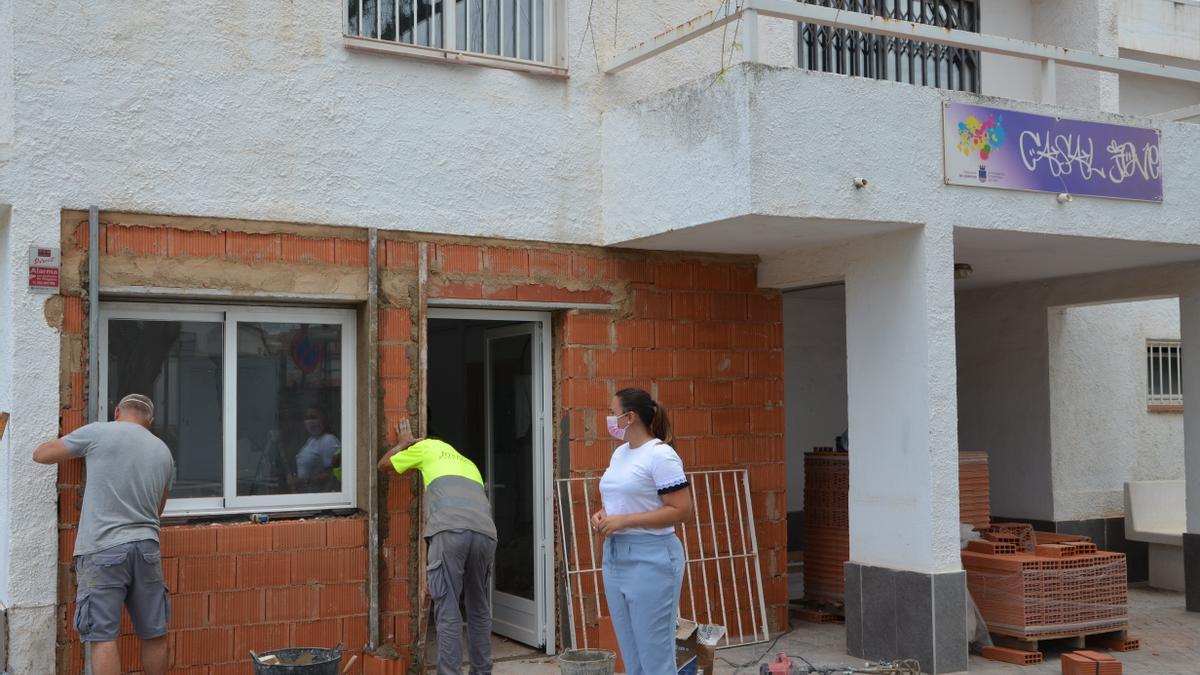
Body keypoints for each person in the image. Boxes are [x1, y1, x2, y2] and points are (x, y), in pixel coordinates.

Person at [33, 394, 175, 675]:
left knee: (103, 636)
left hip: (103, 549)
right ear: (151, 421)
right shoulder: (163, 452)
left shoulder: (100, 432)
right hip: (146, 549)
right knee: (155, 633)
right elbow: (157, 509)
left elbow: (41, 455)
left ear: (117, 412)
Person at [378, 419, 497, 675]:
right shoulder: (467, 463)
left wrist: (402, 445)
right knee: (478, 608)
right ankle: (482, 671)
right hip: (485, 534)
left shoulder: (427, 447)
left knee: (448, 608)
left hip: (450, 531)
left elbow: (383, 465)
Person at [591, 387, 693, 675]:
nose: (609, 419)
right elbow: (621, 500)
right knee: (632, 658)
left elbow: (682, 510)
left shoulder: (660, 455)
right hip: (615, 558)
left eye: (613, 413)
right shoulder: (620, 453)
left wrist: (625, 521)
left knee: (654, 658)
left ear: (630, 417)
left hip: (652, 559)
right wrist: (604, 515)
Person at [294, 407, 341, 492]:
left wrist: (303, 481)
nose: (310, 422)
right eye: (307, 418)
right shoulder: (311, 440)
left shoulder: (328, 440)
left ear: (323, 419)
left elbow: (332, 475)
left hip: (320, 496)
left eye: (313, 417)